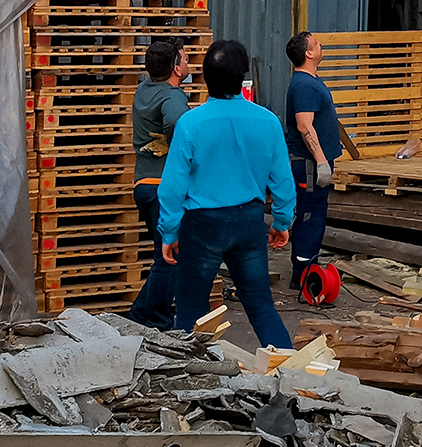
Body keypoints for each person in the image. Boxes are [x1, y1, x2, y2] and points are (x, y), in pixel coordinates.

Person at [159, 39, 295, 348]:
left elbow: (172, 186)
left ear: (205, 77)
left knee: (191, 311)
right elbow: (282, 181)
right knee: (261, 306)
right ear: (242, 78)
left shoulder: (190, 124)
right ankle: (292, 371)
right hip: (248, 222)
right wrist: (282, 222)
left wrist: (169, 231)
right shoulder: (268, 122)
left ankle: (190, 380)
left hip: (201, 225)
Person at [125, 39, 191, 329]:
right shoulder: (172, 97)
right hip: (165, 186)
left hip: (144, 183)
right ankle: (160, 320)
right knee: (172, 256)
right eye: (185, 59)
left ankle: (140, 313)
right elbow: (177, 122)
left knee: (161, 255)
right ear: (176, 68)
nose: (188, 63)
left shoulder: (144, 90)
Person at [284, 31, 342, 287]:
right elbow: (304, 126)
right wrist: (320, 160)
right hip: (309, 164)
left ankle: (307, 266)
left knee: (315, 213)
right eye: (316, 43)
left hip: (315, 161)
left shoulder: (310, 81)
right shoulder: (304, 85)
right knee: (309, 214)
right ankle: (303, 273)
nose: (321, 44)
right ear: (308, 53)